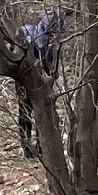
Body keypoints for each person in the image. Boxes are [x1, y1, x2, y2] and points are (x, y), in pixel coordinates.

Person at [16, 11, 61, 158]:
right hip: (28, 80)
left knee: (32, 111)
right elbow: (47, 65)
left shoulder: (31, 31)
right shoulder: (40, 38)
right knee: (32, 111)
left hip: (30, 79)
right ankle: (33, 146)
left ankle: (35, 145)